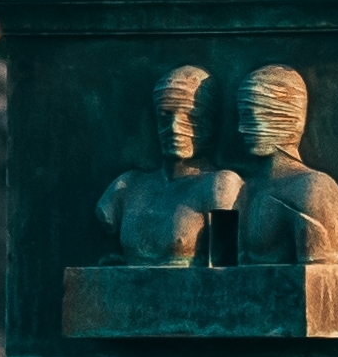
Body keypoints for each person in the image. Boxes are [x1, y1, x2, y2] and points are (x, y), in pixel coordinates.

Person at [99, 64, 241, 266]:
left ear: (210, 121)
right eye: (166, 115)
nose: (174, 127)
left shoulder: (220, 185)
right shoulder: (125, 187)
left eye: (190, 117)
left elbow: (224, 270)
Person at [236, 65, 338, 265]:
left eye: (250, 115)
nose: (241, 128)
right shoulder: (238, 190)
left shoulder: (314, 190)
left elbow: (322, 283)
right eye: (241, 115)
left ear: (286, 114)